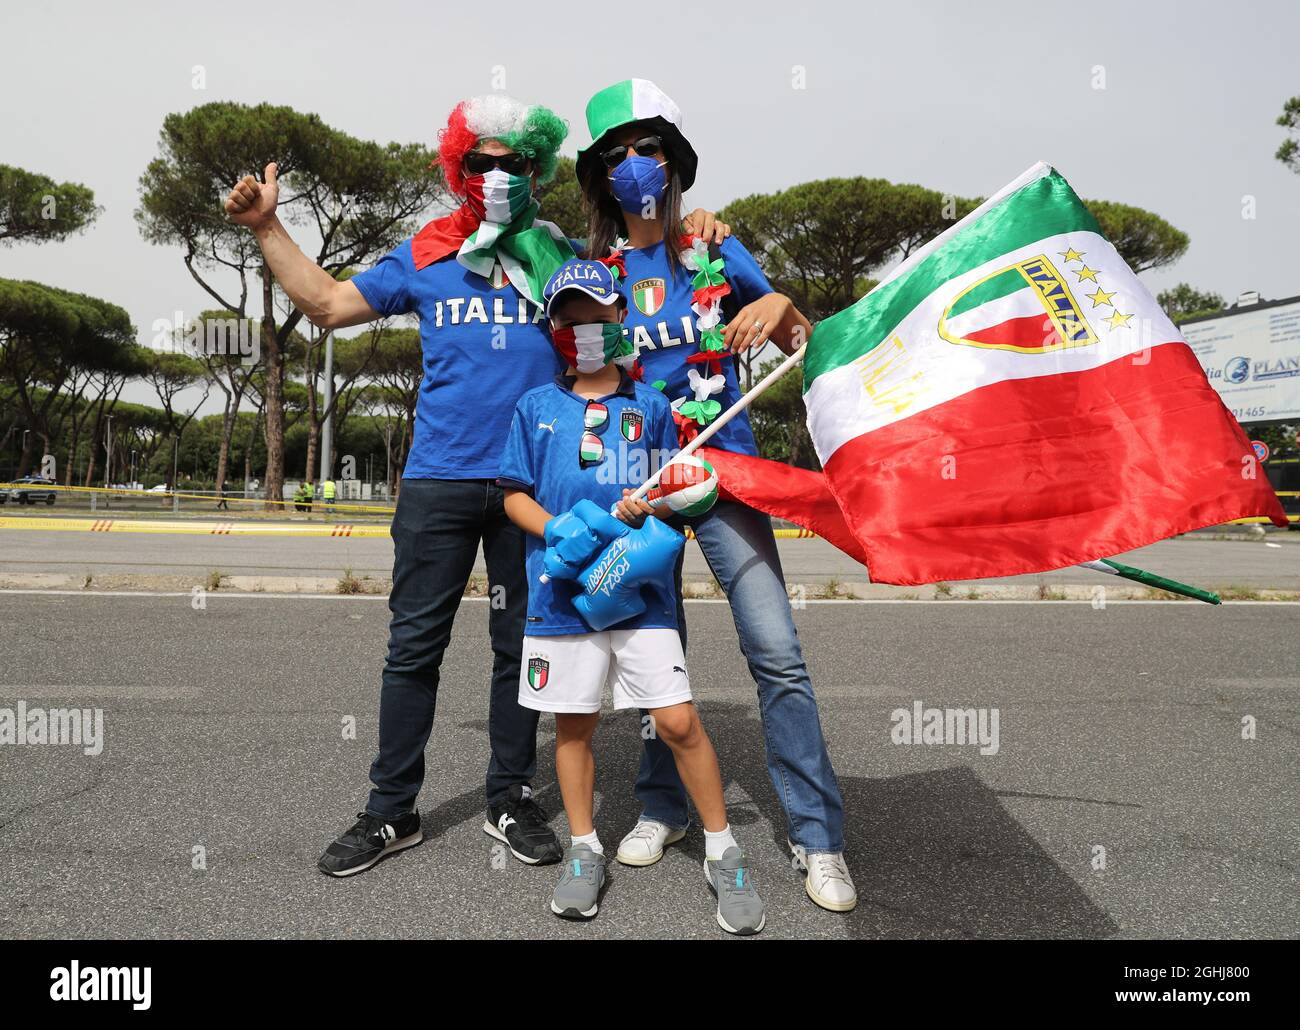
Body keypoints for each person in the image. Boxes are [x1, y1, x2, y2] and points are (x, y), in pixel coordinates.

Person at [222, 93, 731, 878]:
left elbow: (639, 278)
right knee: (411, 650)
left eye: (515, 164)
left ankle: (509, 797)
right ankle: (391, 811)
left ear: (537, 170)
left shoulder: (559, 253)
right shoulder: (425, 251)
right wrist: (265, 227)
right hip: (439, 479)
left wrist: (695, 226)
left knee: (518, 648)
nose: (498, 176)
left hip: (533, 488)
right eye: (481, 164)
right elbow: (325, 306)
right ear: (458, 170)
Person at [574, 80, 857, 912]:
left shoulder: (715, 249)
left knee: (776, 652)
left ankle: (819, 837)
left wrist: (778, 302)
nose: (635, 165)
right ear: (599, 177)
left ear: (673, 163)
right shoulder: (597, 275)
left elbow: (802, 341)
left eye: (648, 148)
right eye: (617, 154)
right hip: (646, 483)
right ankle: (662, 807)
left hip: (729, 474)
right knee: (657, 657)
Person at [498, 258, 765, 933]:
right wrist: (557, 525)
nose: (585, 325)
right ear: (554, 325)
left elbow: (677, 497)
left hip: (641, 595)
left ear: (621, 316)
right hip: (561, 600)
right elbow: (512, 495)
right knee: (574, 725)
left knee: (677, 721)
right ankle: (585, 850)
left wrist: (649, 510)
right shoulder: (534, 407)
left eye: (597, 312)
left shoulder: (650, 405)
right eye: (569, 315)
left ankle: (721, 849)